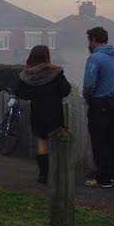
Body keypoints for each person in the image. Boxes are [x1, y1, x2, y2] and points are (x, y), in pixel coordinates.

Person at [15, 45, 72, 184]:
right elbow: (66, 90)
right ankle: (59, 173)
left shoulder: (27, 74)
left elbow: (19, 92)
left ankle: (43, 175)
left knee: (42, 142)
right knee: (58, 141)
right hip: (54, 111)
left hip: (38, 112)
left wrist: (34, 95)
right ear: (47, 56)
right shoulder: (56, 72)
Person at [83, 26, 114, 189]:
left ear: (94, 40)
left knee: (99, 141)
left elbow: (89, 84)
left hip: (99, 103)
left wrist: (88, 98)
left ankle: (104, 178)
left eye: (89, 40)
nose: (88, 44)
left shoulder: (95, 58)